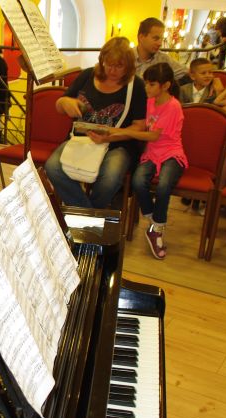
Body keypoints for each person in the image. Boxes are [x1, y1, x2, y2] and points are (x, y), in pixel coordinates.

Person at [44, 37, 147, 209]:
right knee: (53, 168)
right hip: (80, 139)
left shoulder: (135, 85)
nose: (112, 70)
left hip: (117, 145)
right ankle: (90, 216)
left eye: (119, 66)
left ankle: (84, 215)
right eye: (108, 64)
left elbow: (139, 126)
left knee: (110, 178)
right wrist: (66, 102)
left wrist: (109, 137)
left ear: (128, 66)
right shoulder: (87, 75)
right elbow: (59, 105)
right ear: (102, 60)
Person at [116, 63, 187, 259]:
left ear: (166, 86)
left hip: (171, 152)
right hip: (152, 153)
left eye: (152, 84)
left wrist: (125, 132)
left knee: (164, 185)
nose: (146, 87)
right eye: (146, 83)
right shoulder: (149, 102)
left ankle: (156, 229)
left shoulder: (173, 106)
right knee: (138, 180)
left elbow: (153, 136)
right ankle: (154, 222)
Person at [134, 17, 188, 82]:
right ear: (141, 37)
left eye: (161, 39)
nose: (160, 43)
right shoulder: (126, 57)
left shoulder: (163, 59)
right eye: (156, 38)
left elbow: (187, 73)